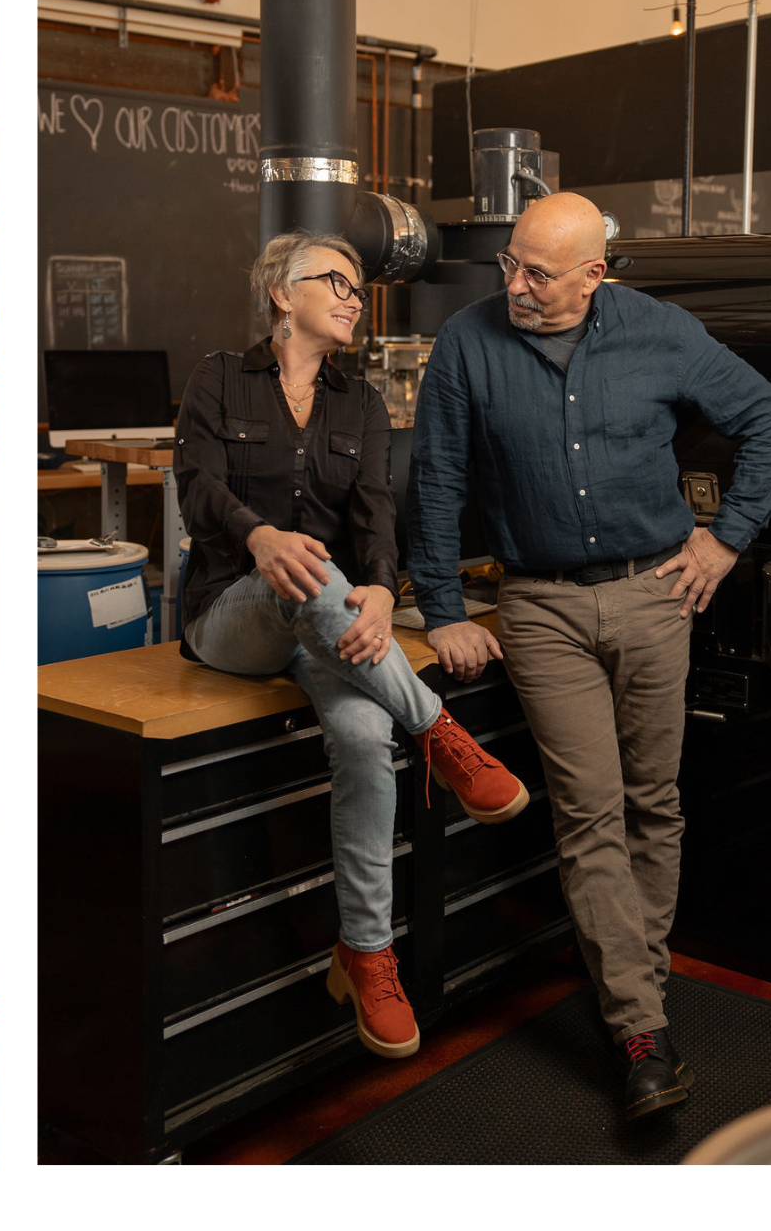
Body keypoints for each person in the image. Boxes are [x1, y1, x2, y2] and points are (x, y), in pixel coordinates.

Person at [408, 191, 771, 1121]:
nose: (515, 285)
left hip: (659, 593)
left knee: (653, 803)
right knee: (589, 812)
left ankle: (634, 985)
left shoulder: (662, 331)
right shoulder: (467, 341)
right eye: (509, 263)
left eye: (539, 273)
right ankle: (639, 1029)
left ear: (595, 274)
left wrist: (724, 540)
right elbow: (435, 476)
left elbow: (768, 421)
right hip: (540, 606)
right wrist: (445, 606)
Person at [174, 230, 533, 1064]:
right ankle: (440, 730)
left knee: (368, 738)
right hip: (231, 615)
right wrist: (260, 536)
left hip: (327, 624)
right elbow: (198, 490)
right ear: (280, 294)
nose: (353, 295)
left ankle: (366, 952)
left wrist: (379, 590)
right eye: (333, 281)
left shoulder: (360, 403)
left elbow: (377, 512)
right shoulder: (219, 379)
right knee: (298, 565)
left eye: (358, 284)